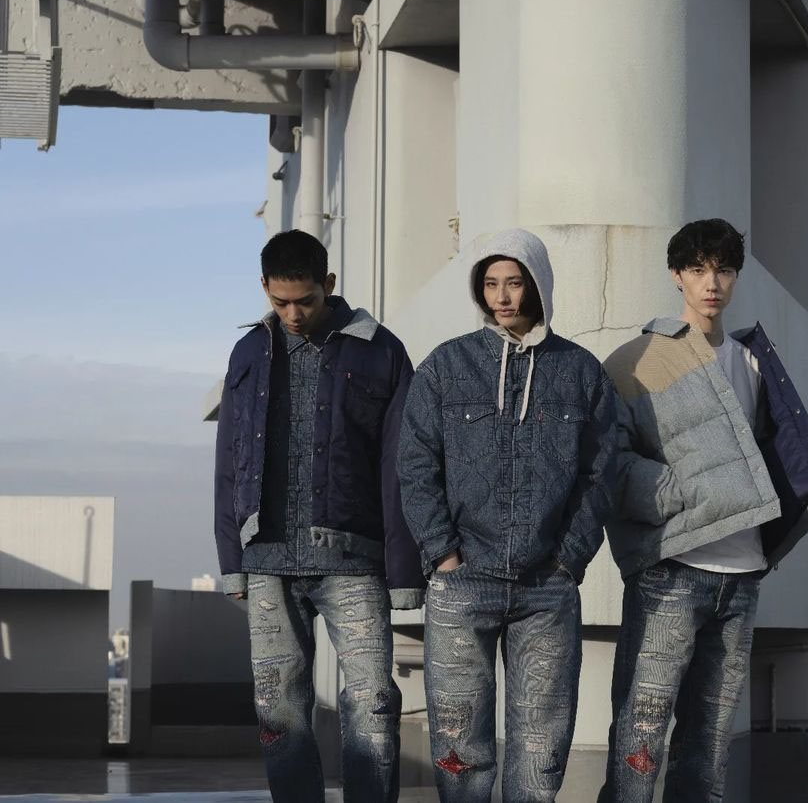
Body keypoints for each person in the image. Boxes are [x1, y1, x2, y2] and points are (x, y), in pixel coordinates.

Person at [598, 218, 808, 801]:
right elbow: (608, 463)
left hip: (743, 574)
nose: (712, 284)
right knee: (641, 734)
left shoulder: (755, 361)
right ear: (676, 275)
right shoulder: (637, 361)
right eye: (698, 269)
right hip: (672, 570)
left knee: (708, 745)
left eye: (724, 270)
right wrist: (681, 490)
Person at [396, 228, 617, 803]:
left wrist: (568, 560)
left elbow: (601, 472)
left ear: (538, 285)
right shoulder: (446, 366)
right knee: (459, 750)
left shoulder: (581, 371)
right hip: (461, 582)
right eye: (491, 283)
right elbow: (415, 464)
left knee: (541, 751)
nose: (502, 296)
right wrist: (442, 554)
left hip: (547, 588)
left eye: (514, 282)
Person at [213, 229, 424, 803]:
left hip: (355, 559)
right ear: (264, 287)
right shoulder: (247, 352)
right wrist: (231, 560)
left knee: (372, 703)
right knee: (277, 708)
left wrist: (405, 569)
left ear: (328, 284)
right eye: (279, 301)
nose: (293, 314)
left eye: (304, 300)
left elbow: (400, 465)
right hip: (266, 561)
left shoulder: (381, 350)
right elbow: (229, 458)